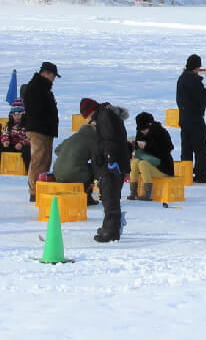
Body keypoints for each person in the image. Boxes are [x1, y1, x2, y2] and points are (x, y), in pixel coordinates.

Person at [88, 100, 131, 242]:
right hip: (114, 162)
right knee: (110, 196)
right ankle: (108, 227)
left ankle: (111, 231)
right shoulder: (109, 115)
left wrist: (110, 158)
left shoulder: (104, 116)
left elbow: (109, 139)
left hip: (111, 163)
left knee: (110, 197)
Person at [175, 54, 206, 183]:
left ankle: (187, 174)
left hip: (184, 119)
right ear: (196, 67)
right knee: (200, 147)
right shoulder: (194, 81)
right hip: (195, 119)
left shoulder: (182, 79)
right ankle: (200, 175)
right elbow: (200, 98)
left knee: (187, 147)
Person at [20, 61, 60, 199]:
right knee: (39, 159)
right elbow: (36, 110)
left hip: (44, 129)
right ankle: (34, 190)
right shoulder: (37, 88)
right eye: (53, 76)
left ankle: (41, 186)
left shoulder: (42, 87)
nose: (53, 79)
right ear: (45, 73)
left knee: (45, 160)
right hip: (39, 129)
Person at [51, 99, 100, 201]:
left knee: (81, 166)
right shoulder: (93, 139)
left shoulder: (73, 136)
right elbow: (96, 159)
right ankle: (87, 197)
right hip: (74, 174)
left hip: (57, 172)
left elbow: (57, 150)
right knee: (93, 169)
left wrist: (68, 154)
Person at [128, 111, 175, 200]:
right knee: (135, 162)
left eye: (144, 129)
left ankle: (148, 193)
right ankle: (133, 192)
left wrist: (147, 146)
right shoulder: (140, 133)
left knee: (143, 164)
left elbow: (168, 149)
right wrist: (135, 145)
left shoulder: (161, 132)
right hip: (147, 161)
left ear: (150, 126)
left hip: (162, 166)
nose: (143, 132)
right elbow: (139, 151)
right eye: (141, 130)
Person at [0, 98, 31, 172]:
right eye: (14, 115)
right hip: (13, 145)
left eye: (19, 114)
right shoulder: (9, 124)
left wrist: (22, 143)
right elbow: (4, 133)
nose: (17, 117)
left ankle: (28, 170)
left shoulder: (28, 124)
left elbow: (31, 137)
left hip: (24, 145)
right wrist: (5, 141)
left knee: (27, 151)